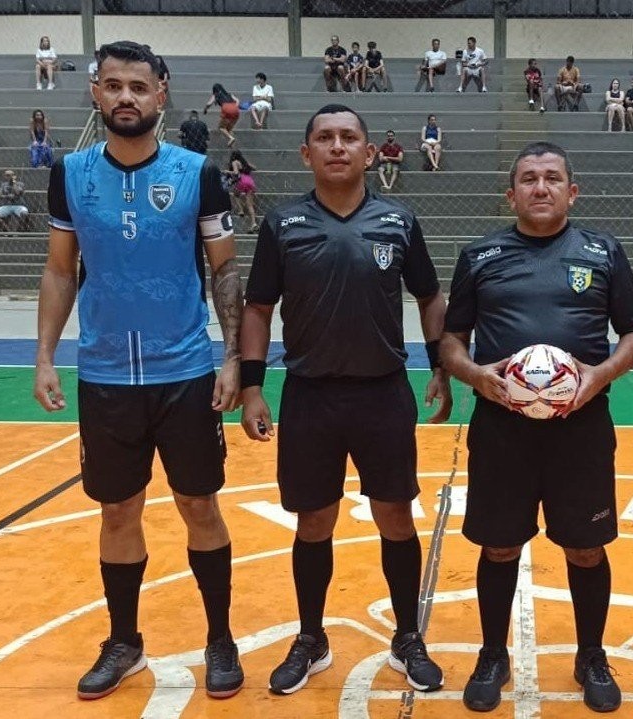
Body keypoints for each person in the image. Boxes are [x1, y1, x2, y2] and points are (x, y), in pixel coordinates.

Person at [35, 39, 245, 703]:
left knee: (197, 504)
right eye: (113, 85)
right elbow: (60, 269)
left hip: (183, 371)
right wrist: (44, 354)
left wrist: (233, 355)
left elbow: (224, 269)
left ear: (162, 93)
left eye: (139, 86)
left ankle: (220, 637)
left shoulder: (196, 172)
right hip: (104, 376)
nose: (126, 96)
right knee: (118, 509)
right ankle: (124, 639)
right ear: (96, 93)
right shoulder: (70, 172)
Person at [239, 102, 452, 699]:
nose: (338, 146)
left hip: (383, 394)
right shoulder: (282, 224)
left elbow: (430, 297)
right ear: (307, 153)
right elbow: (258, 309)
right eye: (325, 138)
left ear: (368, 152)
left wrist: (440, 367)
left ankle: (407, 636)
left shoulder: (399, 221)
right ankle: (312, 638)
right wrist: (253, 384)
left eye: (349, 137)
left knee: (394, 516)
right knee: (314, 521)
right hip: (310, 396)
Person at [440, 140, 633, 714]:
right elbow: (451, 340)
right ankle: (491, 653)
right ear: (511, 194)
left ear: (571, 191)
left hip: (579, 430)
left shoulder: (603, 252)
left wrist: (599, 374)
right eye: (528, 179)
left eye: (552, 178)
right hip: (500, 427)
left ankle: (591, 654)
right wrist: (476, 376)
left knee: (586, 547)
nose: (540, 187)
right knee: (500, 544)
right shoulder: (479, 255)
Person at [225, 150, 259, 232]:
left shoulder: (234, 162)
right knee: (250, 205)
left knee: (235, 194)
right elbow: (255, 168)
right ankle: (254, 223)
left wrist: (228, 171)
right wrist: (246, 166)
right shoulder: (245, 163)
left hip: (242, 181)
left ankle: (241, 210)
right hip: (250, 181)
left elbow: (236, 173)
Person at [203, 83, 239, 148]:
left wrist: (205, 109)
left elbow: (209, 104)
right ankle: (233, 147)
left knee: (221, 127)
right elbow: (237, 100)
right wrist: (234, 107)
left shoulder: (216, 95)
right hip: (235, 109)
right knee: (229, 130)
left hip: (226, 108)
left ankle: (231, 138)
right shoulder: (229, 94)